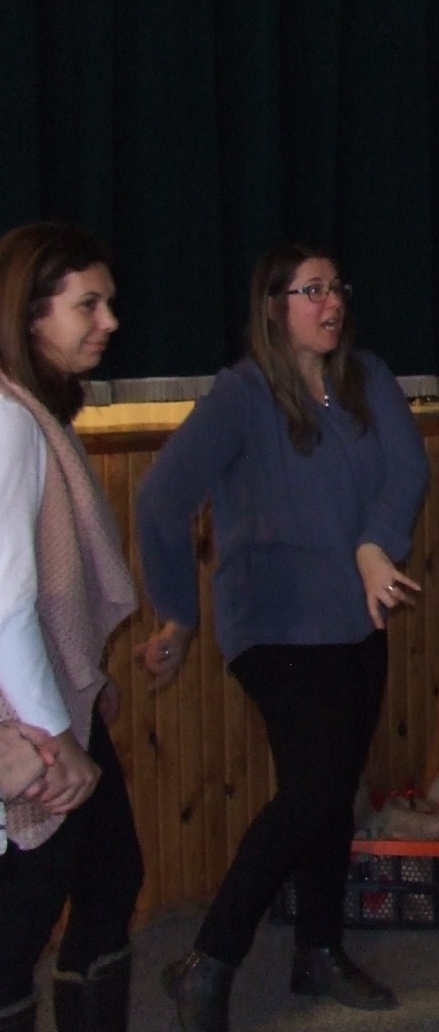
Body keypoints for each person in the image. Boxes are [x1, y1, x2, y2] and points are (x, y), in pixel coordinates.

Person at [135, 245, 428, 1032]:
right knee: (316, 789)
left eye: (336, 287)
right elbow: (160, 500)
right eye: (310, 291)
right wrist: (178, 613)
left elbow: (407, 471)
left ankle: (317, 951)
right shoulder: (242, 395)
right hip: (275, 624)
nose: (331, 303)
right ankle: (208, 962)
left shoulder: (367, 377)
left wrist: (375, 545)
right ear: (273, 306)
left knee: (330, 787)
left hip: (356, 615)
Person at [0, 223, 141, 1032]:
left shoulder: (31, 412)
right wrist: (58, 738)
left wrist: (85, 678)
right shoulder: (13, 422)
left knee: (113, 872)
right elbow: (10, 605)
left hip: (54, 696)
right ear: (29, 315)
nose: (109, 321)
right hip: (28, 721)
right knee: (18, 922)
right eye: (88, 304)